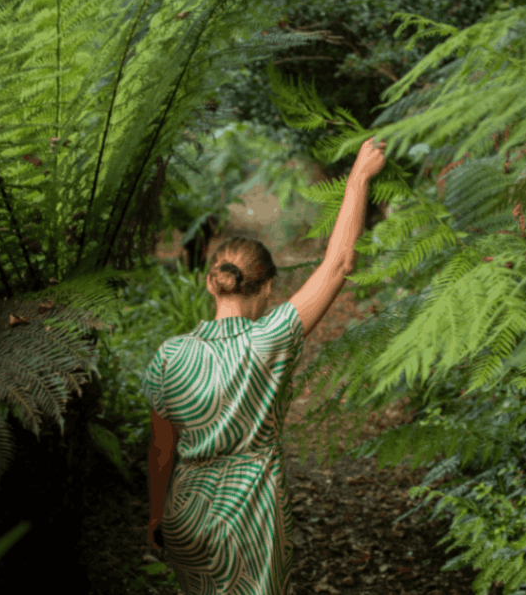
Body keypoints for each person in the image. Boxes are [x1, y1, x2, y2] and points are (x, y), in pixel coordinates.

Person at [142, 137, 387, 594]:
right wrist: (358, 177)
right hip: (250, 519)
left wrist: (157, 516)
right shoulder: (271, 339)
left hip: (185, 519)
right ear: (268, 289)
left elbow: (161, 454)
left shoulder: (169, 356)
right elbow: (338, 265)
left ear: (212, 285)